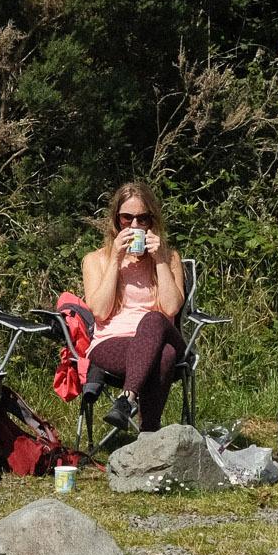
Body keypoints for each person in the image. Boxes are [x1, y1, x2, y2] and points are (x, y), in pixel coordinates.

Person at [80, 180, 185, 434]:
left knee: (154, 320)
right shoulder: (96, 260)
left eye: (143, 219)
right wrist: (115, 259)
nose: (135, 226)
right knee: (165, 355)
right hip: (114, 340)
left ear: (153, 222)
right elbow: (101, 312)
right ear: (116, 221)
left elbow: (171, 308)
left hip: (162, 332)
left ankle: (127, 398)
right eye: (127, 219)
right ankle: (149, 433)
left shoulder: (170, 258)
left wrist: (159, 259)